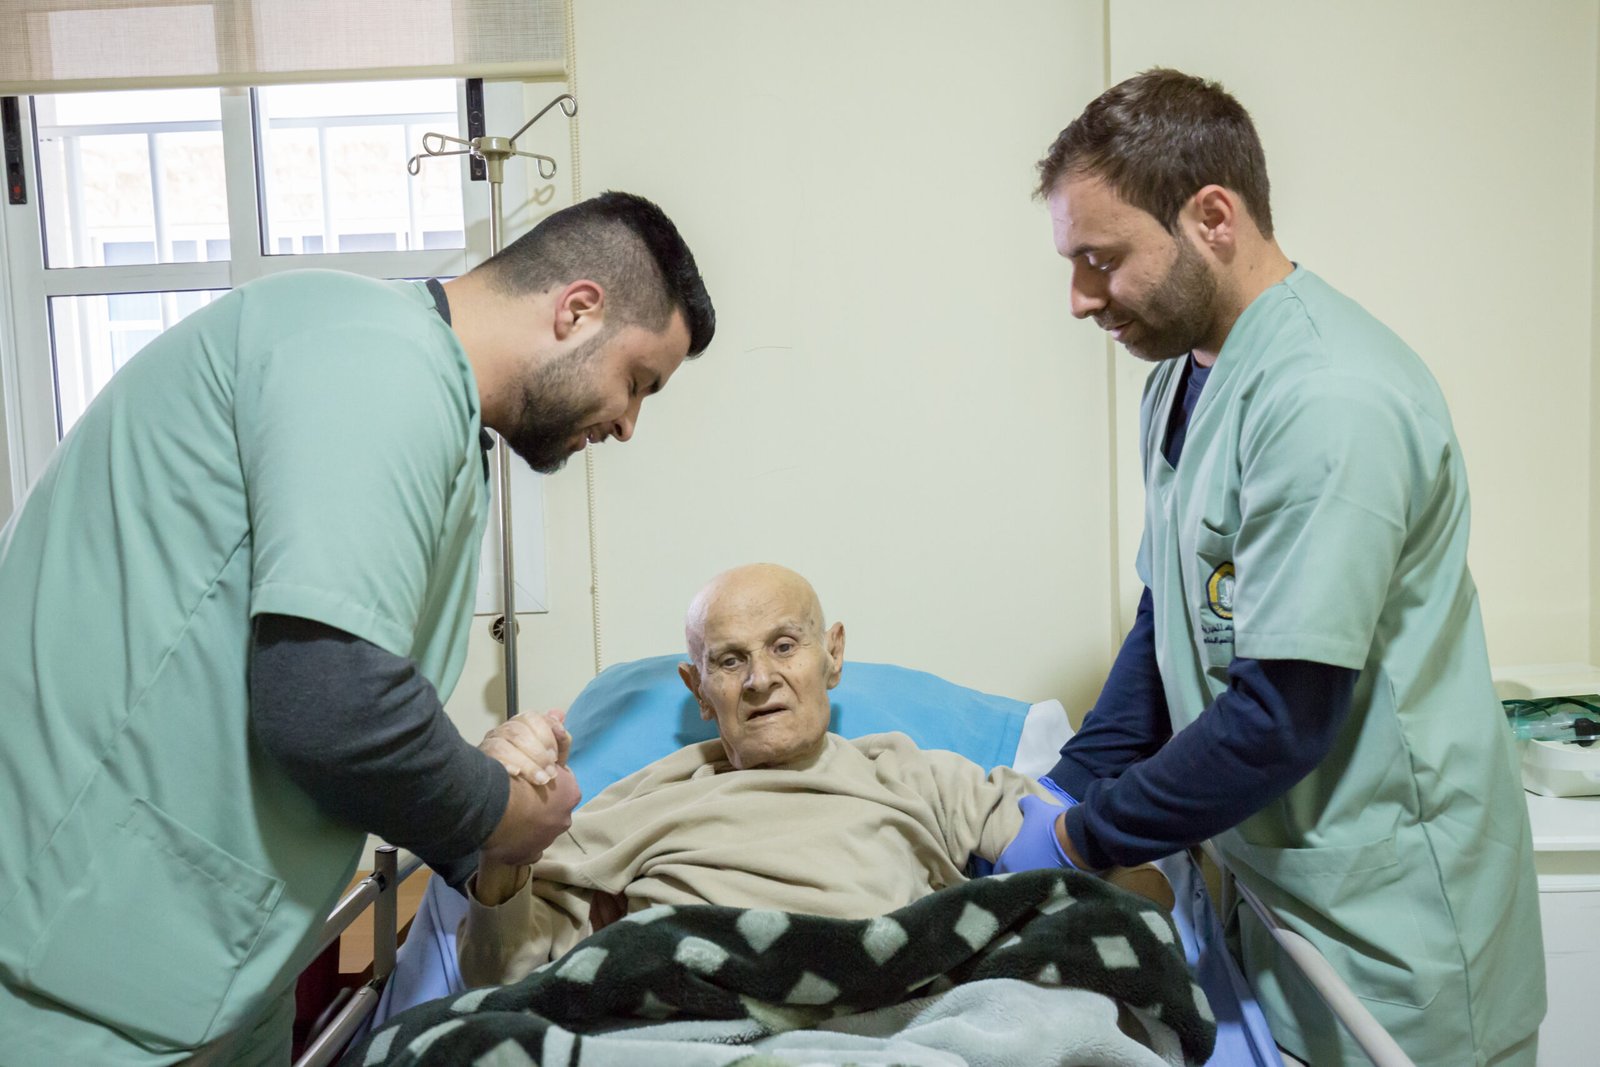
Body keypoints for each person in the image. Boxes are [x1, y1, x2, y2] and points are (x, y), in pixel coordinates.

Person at [0, 191, 715, 1066]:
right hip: (81, 950)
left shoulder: (425, 402)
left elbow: (349, 698)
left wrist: (486, 809)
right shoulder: (376, 360)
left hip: (191, 948)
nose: (629, 424)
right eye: (638, 381)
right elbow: (334, 705)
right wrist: (499, 814)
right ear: (577, 310)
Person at [1032, 69, 1543, 1066]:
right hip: (1278, 905)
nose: (1081, 298)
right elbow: (1169, 620)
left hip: (1392, 933)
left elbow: (1281, 713)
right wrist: (1066, 784)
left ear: (1212, 218)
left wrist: (1084, 836)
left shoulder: (1329, 398)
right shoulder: (1182, 376)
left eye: (1102, 260)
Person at [458, 563, 1169, 987]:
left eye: (784, 645)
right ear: (699, 688)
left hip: (900, 1019)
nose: (760, 679)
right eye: (729, 660)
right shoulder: (638, 803)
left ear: (833, 655)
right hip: (697, 1026)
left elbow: (1114, 878)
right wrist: (507, 838)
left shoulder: (917, 775)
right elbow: (502, 975)